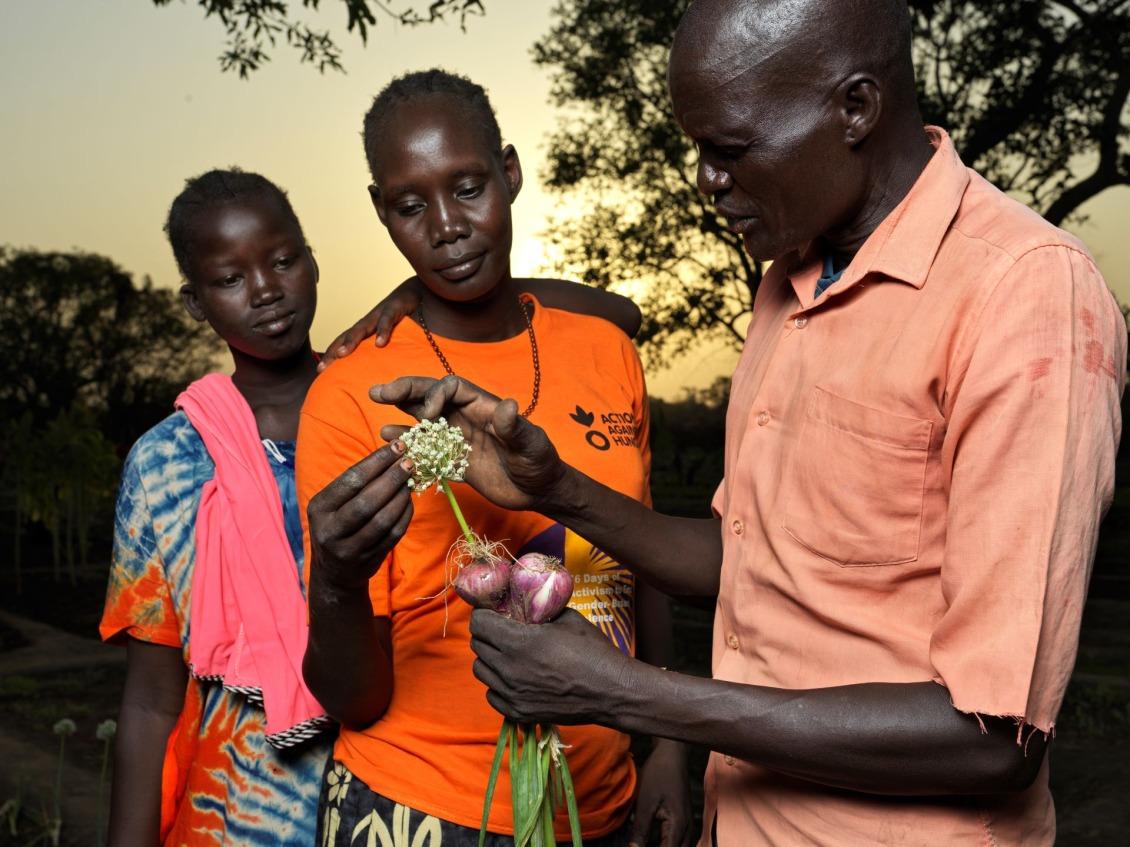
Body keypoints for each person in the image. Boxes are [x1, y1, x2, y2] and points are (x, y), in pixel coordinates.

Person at [366, 2, 1128, 845]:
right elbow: (748, 559)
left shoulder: (1023, 296)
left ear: (856, 108)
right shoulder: (790, 274)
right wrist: (557, 490)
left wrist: (625, 694)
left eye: (729, 150)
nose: (705, 179)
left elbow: (992, 737)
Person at [297, 69, 690, 847]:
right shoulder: (354, 395)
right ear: (382, 213)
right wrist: (336, 577)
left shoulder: (606, 351)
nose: (446, 225)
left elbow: (642, 557)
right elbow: (354, 698)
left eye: (468, 186)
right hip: (423, 805)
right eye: (411, 206)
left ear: (509, 172)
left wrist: (670, 747)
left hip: (602, 805)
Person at [100, 168, 334, 846]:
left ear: (312, 259)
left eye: (284, 260)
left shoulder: (375, 417)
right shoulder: (166, 463)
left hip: (382, 808)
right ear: (195, 302)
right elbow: (150, 696)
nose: (266, 290)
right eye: (230, 280)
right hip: (229, 818)